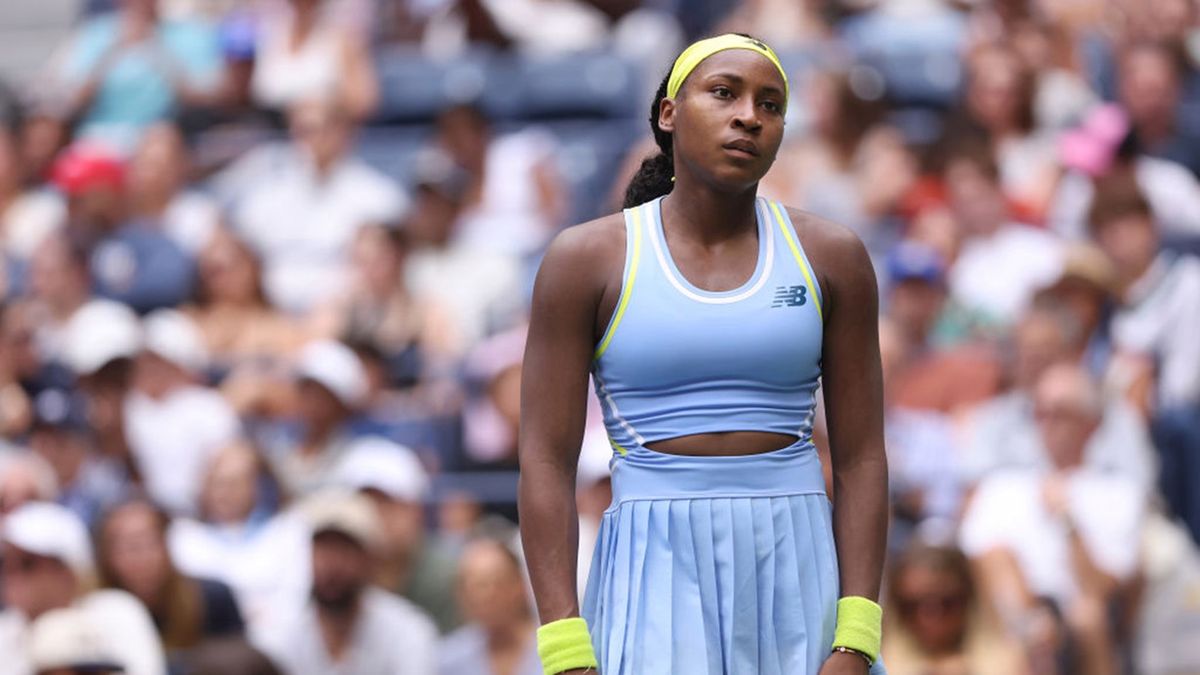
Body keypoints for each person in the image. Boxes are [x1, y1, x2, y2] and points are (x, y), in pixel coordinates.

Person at [519, 34, 889, 675]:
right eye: (725, 93)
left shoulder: (834, 256)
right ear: (667, 112)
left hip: (799, 562)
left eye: (771, 105)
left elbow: (861, 457)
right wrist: (563, 647)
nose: (750, 114)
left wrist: (856, 635)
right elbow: (545, 462)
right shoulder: (584, 261)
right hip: (650, 565)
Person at [960, 363, 1147, 675]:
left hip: (1078, 626)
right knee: (1000, 563)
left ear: (1091, 423)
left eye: (1060, 412)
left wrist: (1067, 521)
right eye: (1039, 412)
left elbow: (1100, 589)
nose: (1046, 423)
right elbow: (976, 562)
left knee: (1086, 615)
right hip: (1010, 618)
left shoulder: (1119, 494)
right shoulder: (1001, 486)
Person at [255, 489, 438, 675]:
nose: (331, 565)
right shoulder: (280, 635)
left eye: (344, 549)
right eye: (323, 549)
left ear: (369, 558)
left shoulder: (407, 632)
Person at [0, 501, 167, 675]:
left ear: (68, 572)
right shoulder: (3, 632)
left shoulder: (117, 612)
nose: (11, 572)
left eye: (27, 563)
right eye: (4, 561)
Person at [96, 500, 245, 664]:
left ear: (167, 545)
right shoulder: (97, 614)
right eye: (129, 547)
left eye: (149, 542)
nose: (142, 558)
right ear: (106, 557)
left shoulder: (213, 597)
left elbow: (239, 664)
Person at [881, 541, 1028, 675]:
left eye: (946, 603)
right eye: (911, 606)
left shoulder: (1007, 661)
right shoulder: (874, 665)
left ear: (969, 599)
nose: (929, 616)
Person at [439, 537, 541, 675]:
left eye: (492, 583)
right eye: (469, 586)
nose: (481, 596)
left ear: (520, 585)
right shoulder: (449, 658)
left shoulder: (554, 648)